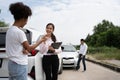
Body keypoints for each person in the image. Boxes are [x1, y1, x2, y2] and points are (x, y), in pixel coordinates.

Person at [6, 2, 46, 80]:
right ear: (23, 18)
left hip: (11, 64)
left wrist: (24, 50)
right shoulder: (19, 32)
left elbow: (15, 46)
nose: (26, 22)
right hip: (19, 64)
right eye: (27, 19)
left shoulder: (10, 30)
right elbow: (29, 48)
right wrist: (41, 41)